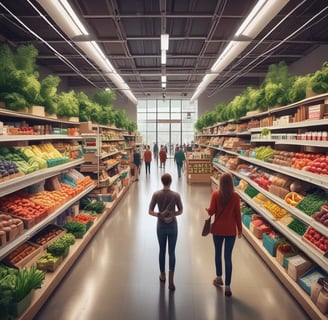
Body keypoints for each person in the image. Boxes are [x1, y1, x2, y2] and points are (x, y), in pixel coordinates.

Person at [206, 172, 242, 297]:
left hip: (218, 230)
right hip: (231, 231)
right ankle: (227, 286)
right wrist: (240, 230)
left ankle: (219, 278)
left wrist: (207, 209)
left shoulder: (215, 194)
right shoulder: (236, 196)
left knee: (218, 253)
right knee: (228, 257)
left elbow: (211, 211)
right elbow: (238, 215)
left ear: (220, 183)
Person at [149, 173, 183, 291]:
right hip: (173, 226)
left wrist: (159, 215)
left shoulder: (156, 194)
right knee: (172, 252)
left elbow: (150, 211)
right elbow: (181, 211)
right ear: (171, 181)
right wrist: (172, 214)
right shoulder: (176, 195)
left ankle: (162, 275)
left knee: (162, 250)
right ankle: (171, 280)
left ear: (162, 181)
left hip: (161, 226)